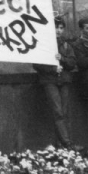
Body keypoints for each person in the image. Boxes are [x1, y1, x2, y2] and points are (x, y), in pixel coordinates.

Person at [33, 17, 76, 147]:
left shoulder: (66, 44)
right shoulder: (43, 44)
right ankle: (67, 143)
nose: (59, 30)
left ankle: (60, 143)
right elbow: (36, 64)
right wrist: (52, 68)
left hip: (64, 80)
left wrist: (62, 58)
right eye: (56, 27)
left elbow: (72, 63)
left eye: (61, 28)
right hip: (50, 81)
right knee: (58, 111)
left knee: (64, 111)